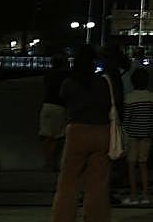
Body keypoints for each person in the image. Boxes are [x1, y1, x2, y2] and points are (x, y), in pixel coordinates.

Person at [50, 45, 113, 222]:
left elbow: (64, 101)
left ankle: (63, 217)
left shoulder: (69, 83)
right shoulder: (103, 82)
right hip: (102, 131)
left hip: (77, 131)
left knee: (68, 182)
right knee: (98, 183)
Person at [122, 68, 153, 206]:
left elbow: (126, 119)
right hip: (147, 134)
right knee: (143, 164)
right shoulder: (151, 96)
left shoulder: (130, 97)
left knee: (131, 165)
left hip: (132, 134)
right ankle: (145, 195)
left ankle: (133, 196)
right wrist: (152, 132)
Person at [40, 53, 69, 170]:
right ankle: (53, 161)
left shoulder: (48, 75)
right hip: (59, 106)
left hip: (47, 105)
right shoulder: (65, 76)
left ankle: (48, 161)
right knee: (59, 136)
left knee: (47, 136)